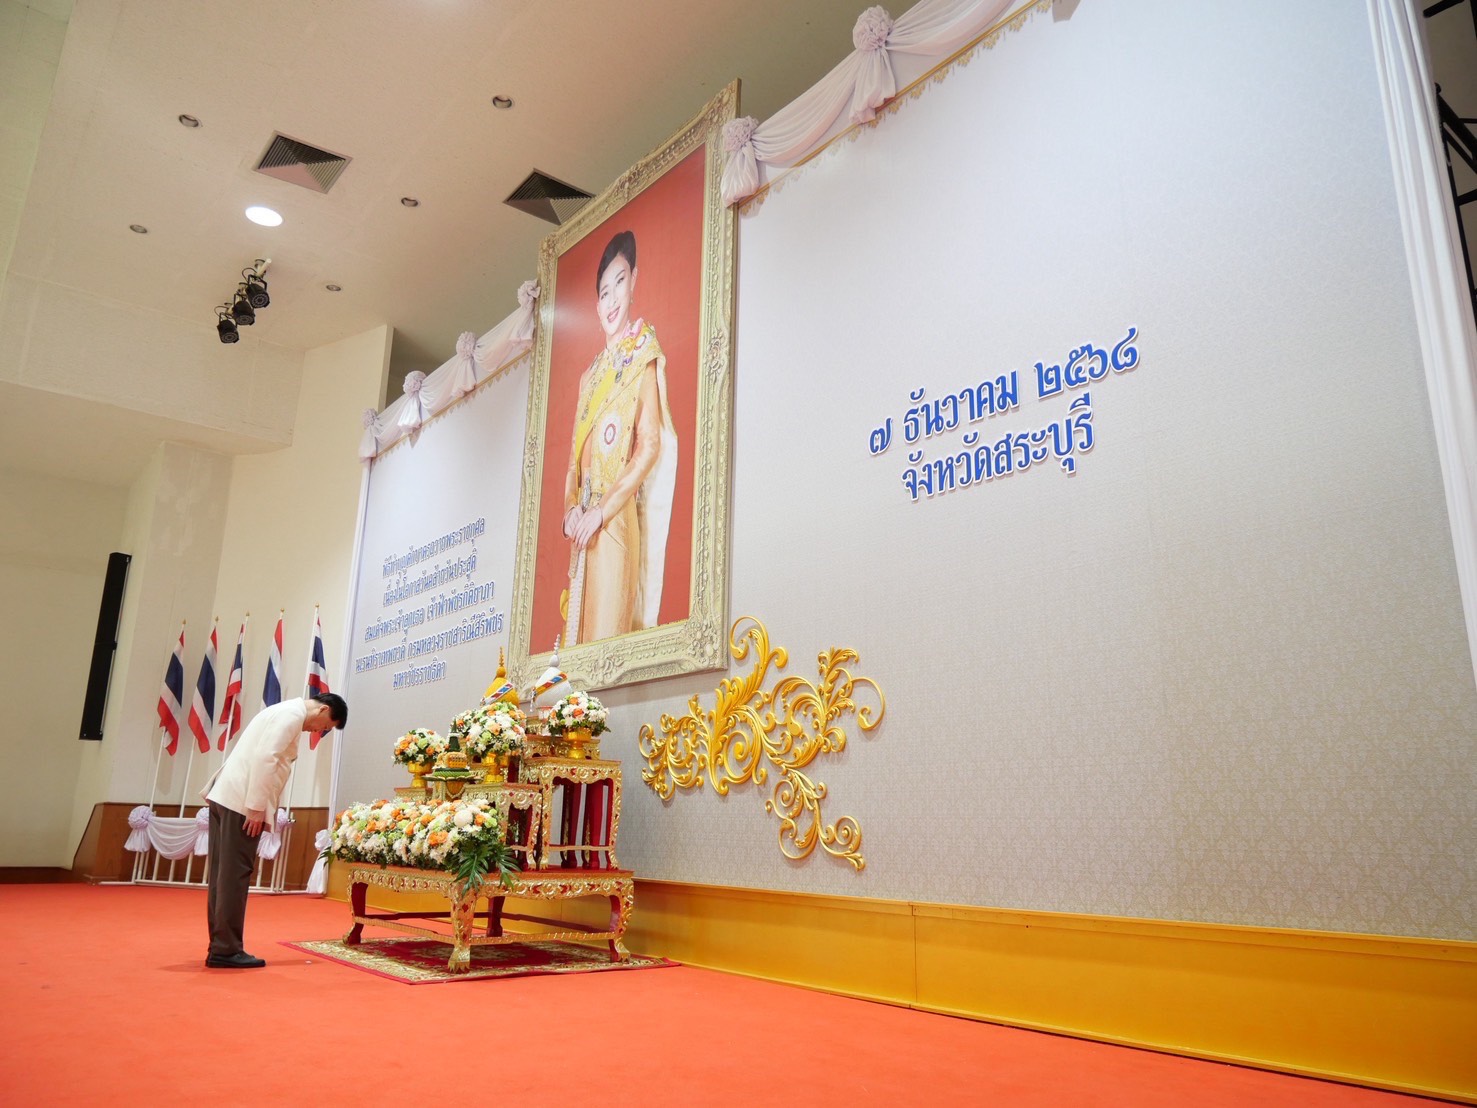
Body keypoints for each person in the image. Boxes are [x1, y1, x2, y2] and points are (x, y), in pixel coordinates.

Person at [560, 229, 677, 645]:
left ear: (634, 282)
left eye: (619, 283)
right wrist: (571, 509)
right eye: (604, 292)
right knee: (575, 649)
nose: (611, 301)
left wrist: (601, 512)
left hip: (613, 523)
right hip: (581, 530)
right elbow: (573, 462)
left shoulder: (644, 354)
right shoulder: (588, 377)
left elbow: (649, 445)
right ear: (596, 305)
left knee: (605, 647)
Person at [201, 691, 348, 968]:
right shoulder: (292, 715)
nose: (318, 731)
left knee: (223, 876)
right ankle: (226, 950)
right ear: (323, 710)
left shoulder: (281, 710)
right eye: (325, 726)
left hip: (227, 796)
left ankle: (220, 946)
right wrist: (256, 807)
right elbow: (266, 758)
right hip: (242, 802)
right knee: (234, 876)